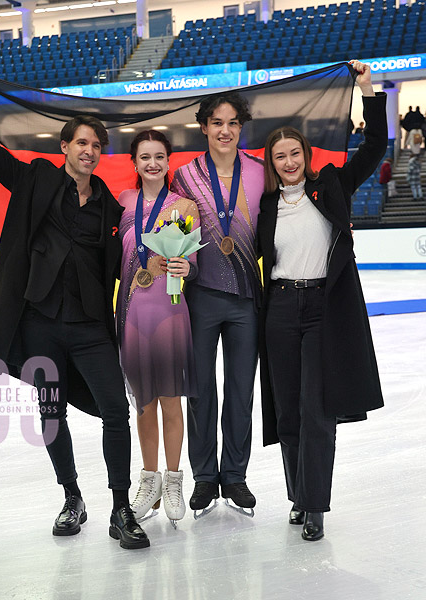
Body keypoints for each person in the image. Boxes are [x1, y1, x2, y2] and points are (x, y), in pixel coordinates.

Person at [0, 55, 150, 550]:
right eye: (80, 142)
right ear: (65, 147)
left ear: (101, 153)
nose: (88, 150)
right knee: (50, 414)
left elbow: (128, 259)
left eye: (95, 145)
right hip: (40, 323)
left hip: (90, 328)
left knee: (115, 411)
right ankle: (71, 497)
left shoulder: (110, 206)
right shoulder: (37, 181)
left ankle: (121, 507)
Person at [257, 60, 385, 541]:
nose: (288, 162)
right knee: (287, 410)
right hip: (281, 310)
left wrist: (367, 89)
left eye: (294, 154)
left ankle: (315, 506)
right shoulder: (267, 205)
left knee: (316, 409)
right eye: (279, 157)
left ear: (306, 155)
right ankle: (297, 494)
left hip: (323, 312)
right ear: (271, 163)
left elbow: (374, 146)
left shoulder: (330, 186)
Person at [171, 92, 263, 516]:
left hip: (246, 298)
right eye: (217, 122)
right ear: (204, 127)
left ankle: (235, 477)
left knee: (241, 390)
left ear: (240, 128)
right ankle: (205, 477)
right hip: (200, 296)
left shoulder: (262, 173)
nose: (225, 130)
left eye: (233, 123)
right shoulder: (185, 177)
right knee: (201, 391)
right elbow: (177, 233)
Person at [116, 130, 199, 527]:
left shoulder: (184, 206)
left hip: (169, 309)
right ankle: (147, 480)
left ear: (169, 161)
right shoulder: (124, 203)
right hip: (132, 311)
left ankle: (173, 478)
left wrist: (188, 268)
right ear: (134, 162)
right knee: (143, 402)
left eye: (159, 156)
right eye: (144, 157)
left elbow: (192, 261)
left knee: (170, 398)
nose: (152, 163)